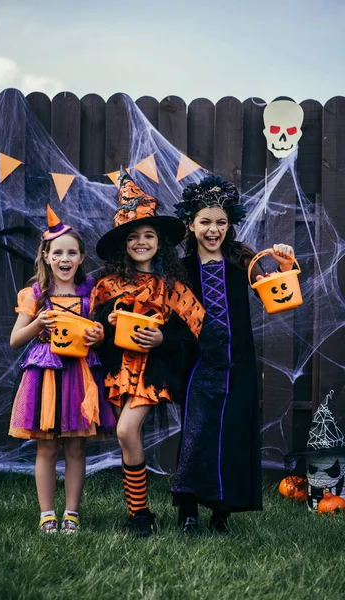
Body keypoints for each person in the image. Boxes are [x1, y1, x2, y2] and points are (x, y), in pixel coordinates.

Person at [171, 175, 295, 534]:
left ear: (230, 224)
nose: (213, 230)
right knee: (197, 433)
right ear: (191, 224)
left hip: (238, 364)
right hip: (198, 366)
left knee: (233, 433)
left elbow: (276, 301)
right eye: (205, 222)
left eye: (221, 222)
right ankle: (189, 510)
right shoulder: (181, 268)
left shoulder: (244, 259)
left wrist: (284, 269)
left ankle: (221, 511)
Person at [91, 169, 205, 537]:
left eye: (149, 235)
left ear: (160, 242)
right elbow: (95, 333)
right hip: (119, 372)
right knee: (127, 436)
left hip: (153, 374)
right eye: (134, 236)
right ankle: (139, 513)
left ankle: (141, 516)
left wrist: (163, 341)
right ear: (124, 243)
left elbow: (196, 333)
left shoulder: (171, 286)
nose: (142, 241)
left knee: (127, 431)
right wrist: (106, 326)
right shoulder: (107, 285)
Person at [9, 205, 115, 534]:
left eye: (72, 252)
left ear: (82, 257)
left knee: (76, 445)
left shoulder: (91, 295)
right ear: (46, 256)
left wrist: (98, 336)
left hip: (80, 374)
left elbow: (96, 336)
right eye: (58, 252)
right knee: (46, 445)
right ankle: (46, 514)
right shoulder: (37, 295)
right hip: (46, 375)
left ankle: (71, 512)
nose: (65, 259)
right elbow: (15, 339)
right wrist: (38, 322)